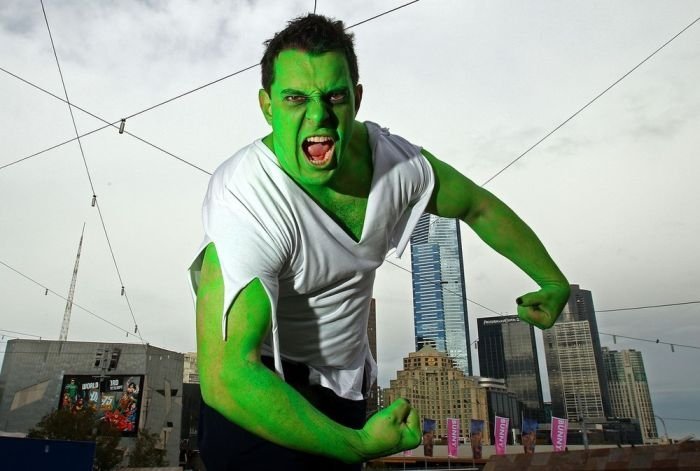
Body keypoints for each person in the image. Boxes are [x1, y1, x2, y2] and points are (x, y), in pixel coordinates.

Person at [189, 14, 569, 470]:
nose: (319, 116)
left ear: (357, 99)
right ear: (267, 107)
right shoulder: (246, 197)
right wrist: (359, 446)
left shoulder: (393, 164)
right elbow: (225, 376)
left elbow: (477, 206)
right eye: (295, 99)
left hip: (344, 391)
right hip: (261, 391)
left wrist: (549, 278)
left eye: (335, 96)